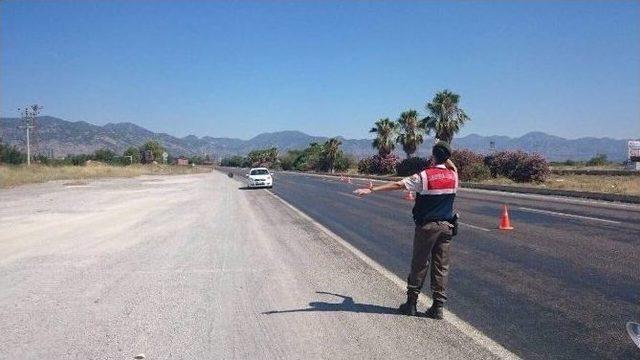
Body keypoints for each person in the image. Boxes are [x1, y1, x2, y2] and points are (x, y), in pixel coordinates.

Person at [353, 141, 458, 319]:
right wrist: (441, 150)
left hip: (427, 227)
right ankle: (438, 307)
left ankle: (411, 304)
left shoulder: (424, 176)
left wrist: (372, 190)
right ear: (447, 157)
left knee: (419, 264)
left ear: (433, 157)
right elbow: (452, 165)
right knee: (441, 267)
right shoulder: (454, 176)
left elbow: (398, 185)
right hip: (447, 227)